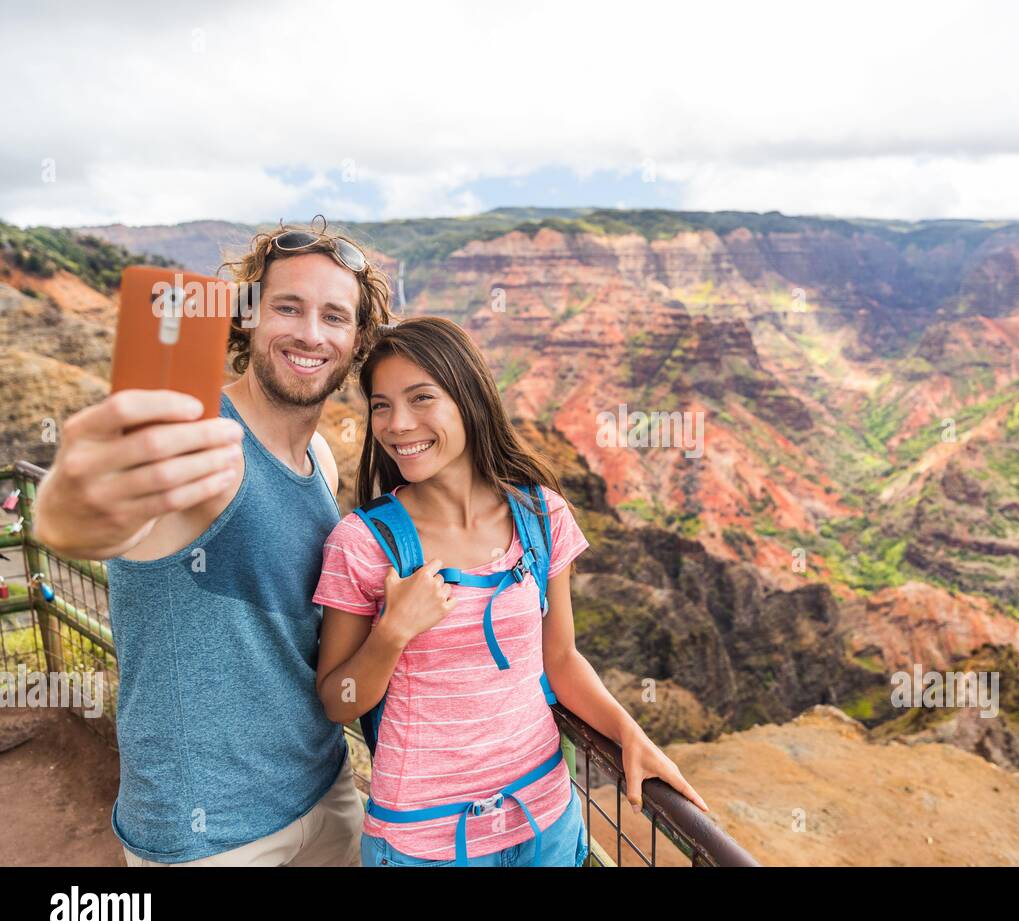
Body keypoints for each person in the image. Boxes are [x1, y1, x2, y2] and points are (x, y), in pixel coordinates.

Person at [32, 220, 394, 865]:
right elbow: (96, 523)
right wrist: (65, 509)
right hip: (205, 835)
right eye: (287, 307)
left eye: (334, 316)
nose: (311, 333)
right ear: (249, 318)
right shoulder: (202, 442)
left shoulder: (319, 458)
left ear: (357, 339)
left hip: (324, 788)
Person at [313, 317, 710, 866]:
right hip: (424, 842)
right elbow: (339, 702)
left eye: (420, 398)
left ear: (469, 398)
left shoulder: (540, 515)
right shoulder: (361, 543)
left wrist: (629, 734)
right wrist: (393, 632)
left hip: (545, 820)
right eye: (381, 405)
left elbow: (561, 659)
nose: (398, 424)